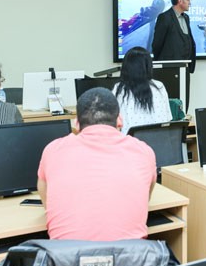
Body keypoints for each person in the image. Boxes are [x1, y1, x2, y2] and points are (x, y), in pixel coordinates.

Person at [37, 87, 157, 241]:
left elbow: (47, 200)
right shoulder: (144, 151)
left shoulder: (53, 150)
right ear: (119, 120)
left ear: (77, 124)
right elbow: (145, 198)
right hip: (130, 255)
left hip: (66, 255)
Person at [152, 0, 197, 109]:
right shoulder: (164, 17)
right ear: (180, 0)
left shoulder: (186, 18)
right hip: (169, 70)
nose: (190, 2)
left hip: (184, 68)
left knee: (184, 103)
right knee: (170, 104)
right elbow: (157, 44)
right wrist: (162, 63)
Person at [113, 46, 172, 135]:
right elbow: (167, 119)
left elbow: (113, 125)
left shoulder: (119, 89)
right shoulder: (159, 86)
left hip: (130, 142)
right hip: (158, 141)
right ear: (148, 66)